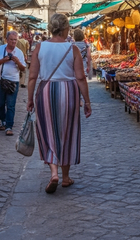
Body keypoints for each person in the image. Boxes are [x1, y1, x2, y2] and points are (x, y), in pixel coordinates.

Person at [27, 14, 92, 194]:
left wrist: (30, 99)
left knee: (48, 130)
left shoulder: (40, 47)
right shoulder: (73, 49)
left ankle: (53, 173)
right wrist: (86, 101)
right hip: (69, 91)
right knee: (67, 131)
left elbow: (32, 77)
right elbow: (80, 77)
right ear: (66, 29)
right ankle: (65, 178)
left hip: (46, 90)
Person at [0, 31, 26, 136]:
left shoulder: (19, 52)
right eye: (12, 39)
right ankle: (3, 121)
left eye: (15, 40)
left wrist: (18, 62)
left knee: (11, 105)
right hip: (1, 80)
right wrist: (3, 60)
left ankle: (9, 127)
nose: (14, 42)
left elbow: (23, 68)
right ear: (7, 39)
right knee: (0, 103)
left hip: (13, 81)